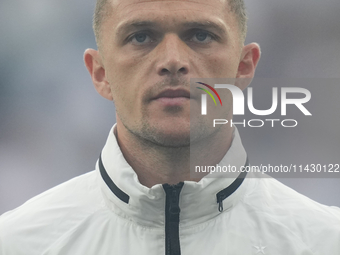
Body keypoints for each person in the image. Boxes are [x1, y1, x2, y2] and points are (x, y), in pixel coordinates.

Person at [0, 0, 339, 254]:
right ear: (99, 74)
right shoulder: (18, 244)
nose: (172, 60)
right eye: (141, 36)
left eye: (201, 35)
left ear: (243, 68)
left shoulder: (325, 241)